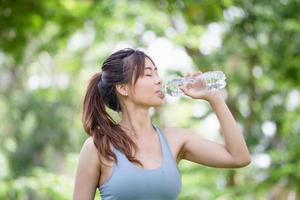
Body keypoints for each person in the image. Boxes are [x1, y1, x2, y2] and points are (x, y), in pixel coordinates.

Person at [73, 48, 251, 200]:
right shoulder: (97, 147)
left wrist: (214, 97)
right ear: (123, 88)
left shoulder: (176, 139)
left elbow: (239, 157)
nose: (159, 80)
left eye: (157, 73)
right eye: (148, 74)